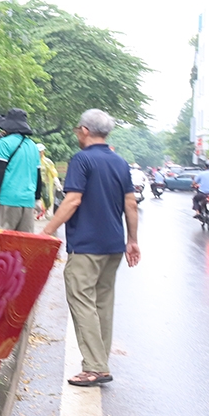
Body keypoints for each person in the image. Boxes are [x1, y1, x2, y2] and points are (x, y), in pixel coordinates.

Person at [41, 109, 140, 387]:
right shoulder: (120, 162)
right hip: (113, 247)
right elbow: (130, 204)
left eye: (77, 130)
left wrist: (48, 232)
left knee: (82, 302)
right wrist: (132, 240)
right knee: (102, 304)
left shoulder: (82, 160)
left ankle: (95, 367)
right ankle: (100, 361)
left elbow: (73, 201)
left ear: (84, 130)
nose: (77, 134)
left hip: (86, 246)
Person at [0, 108, 44, 232]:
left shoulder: (4, 143)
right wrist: (38, 198)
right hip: (28, 201)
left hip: (8, 199)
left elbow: (1, 170)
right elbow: (38, 176)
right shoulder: (33, 146)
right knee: (24, 245)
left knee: (5, 242)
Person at [37, 143, 58, 214]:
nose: (39, 153)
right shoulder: (32, 160)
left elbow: (53, 171)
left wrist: (56, 179)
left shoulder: (47, 162)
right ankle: (39, 211)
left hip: (44, 183)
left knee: (46, 197)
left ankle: (46, 209)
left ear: (43, 151)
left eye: (40, 151)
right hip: (35, 182)